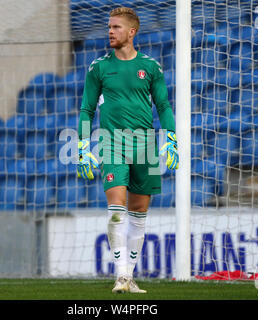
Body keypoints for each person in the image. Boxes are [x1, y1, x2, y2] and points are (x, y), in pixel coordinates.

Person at [76, 7, 178, 293]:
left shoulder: (152, 67)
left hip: (145, 146)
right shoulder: (98, 68)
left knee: (139, 215)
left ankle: (128, 277)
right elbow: (86, 109)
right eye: (109, 26)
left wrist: (170, 138)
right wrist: (83, 143)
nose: (110, 31)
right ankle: (120, 275)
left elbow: (163, 106)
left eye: (116, 27)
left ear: (132, 31)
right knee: (117, 209)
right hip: (112, 143)